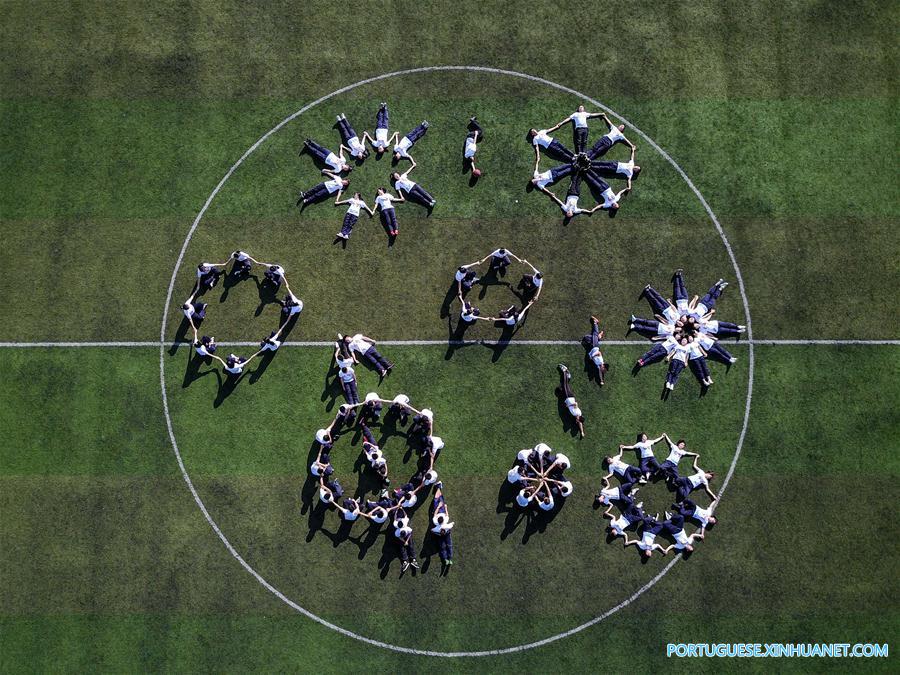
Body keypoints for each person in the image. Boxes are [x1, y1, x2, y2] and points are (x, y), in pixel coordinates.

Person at [556, 364, 585, 437]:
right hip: (569, 397)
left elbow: (580, 424)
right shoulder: (577, 413)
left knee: (560, 389)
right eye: (577, 421)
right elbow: (576, 404)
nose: (577, 422)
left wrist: (582, 432)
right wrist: (568, 405)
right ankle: (565, 371)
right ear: (579, 418)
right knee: (564, 384)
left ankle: (568, 376)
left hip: (567, 398)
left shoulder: (578, 417)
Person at [431, 482, 454, 566]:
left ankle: (445, 559)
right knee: (449, 546)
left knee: (442, 547)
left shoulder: (436, 523)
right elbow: (451, 523)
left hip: (440, 535)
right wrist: (446, 508)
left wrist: (439, 507)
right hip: (446, 534)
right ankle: (449, 559)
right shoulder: (446, 524)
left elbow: (432, 530)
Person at [582, 315, 608, 385]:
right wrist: (592, 356)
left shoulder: (598, 366)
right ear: (603, 366)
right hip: (595, 346)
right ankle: (595, 323)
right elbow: (599, 353)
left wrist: (601, 380)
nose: (601, 370)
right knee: (594, 334)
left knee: (587, 338)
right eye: (603, 369)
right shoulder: (601, 361)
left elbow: (599, 373)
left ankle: (599, 336)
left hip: (591, 347)